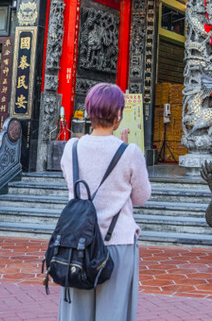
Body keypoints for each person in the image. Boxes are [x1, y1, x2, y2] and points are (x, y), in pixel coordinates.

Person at [59, 83, 151, 321]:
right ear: (118, 114)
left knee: (76, 313)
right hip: (117, 242)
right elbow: (141, 197)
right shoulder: (130, 152)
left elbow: (72, 184)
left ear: (89, 111)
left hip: (78, 243)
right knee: (113, 312)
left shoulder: (72, 148)